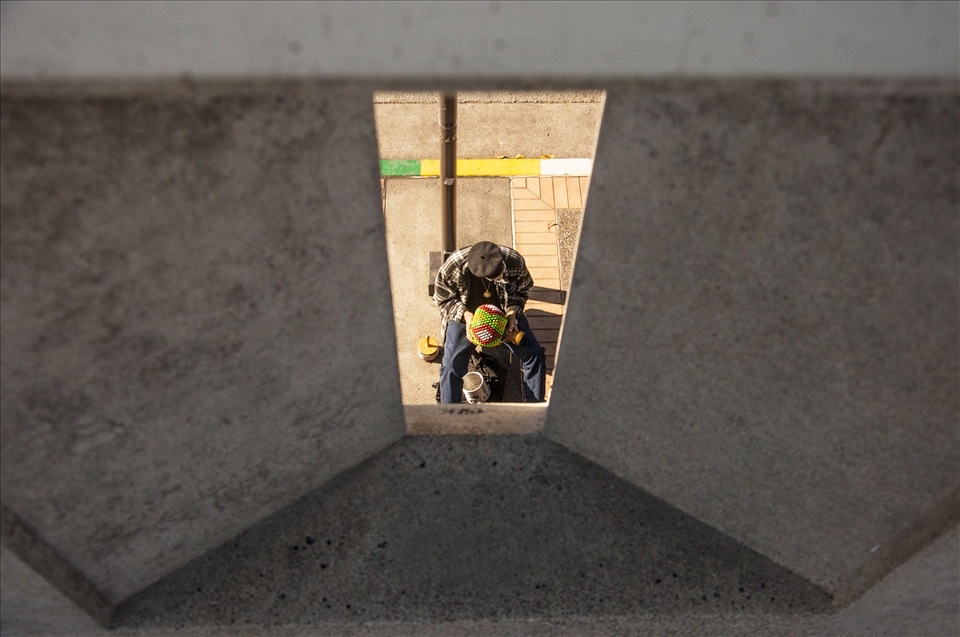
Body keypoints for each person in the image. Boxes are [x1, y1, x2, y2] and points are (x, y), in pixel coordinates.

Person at [434, 241, 546, 403]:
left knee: (534, 355)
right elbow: (443, 298)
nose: (502, 276)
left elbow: (522, 290)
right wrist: (466, 316)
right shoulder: (454, 266)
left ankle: (535, 411)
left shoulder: (514, 261)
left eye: (501, 272)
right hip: (467, 317)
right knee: (451, 365)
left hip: (502, 313)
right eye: (496, 276)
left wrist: (512, 313)